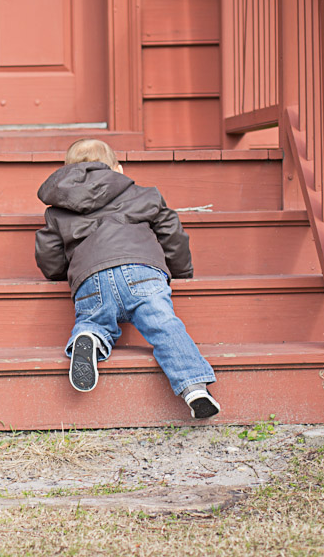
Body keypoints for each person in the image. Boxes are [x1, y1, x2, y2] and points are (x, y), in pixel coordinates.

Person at [34, 138, 220, 418]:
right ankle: (194, 387)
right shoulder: (145, 195)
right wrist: (181, 272)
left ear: (68, 173)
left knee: (94, 319)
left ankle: (90, 338)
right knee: (164, 327)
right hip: (141, 272)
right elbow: (172, 235)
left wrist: (65, 274)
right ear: (118, 169)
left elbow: (49, 252)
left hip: (90, 277)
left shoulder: (58, 209)